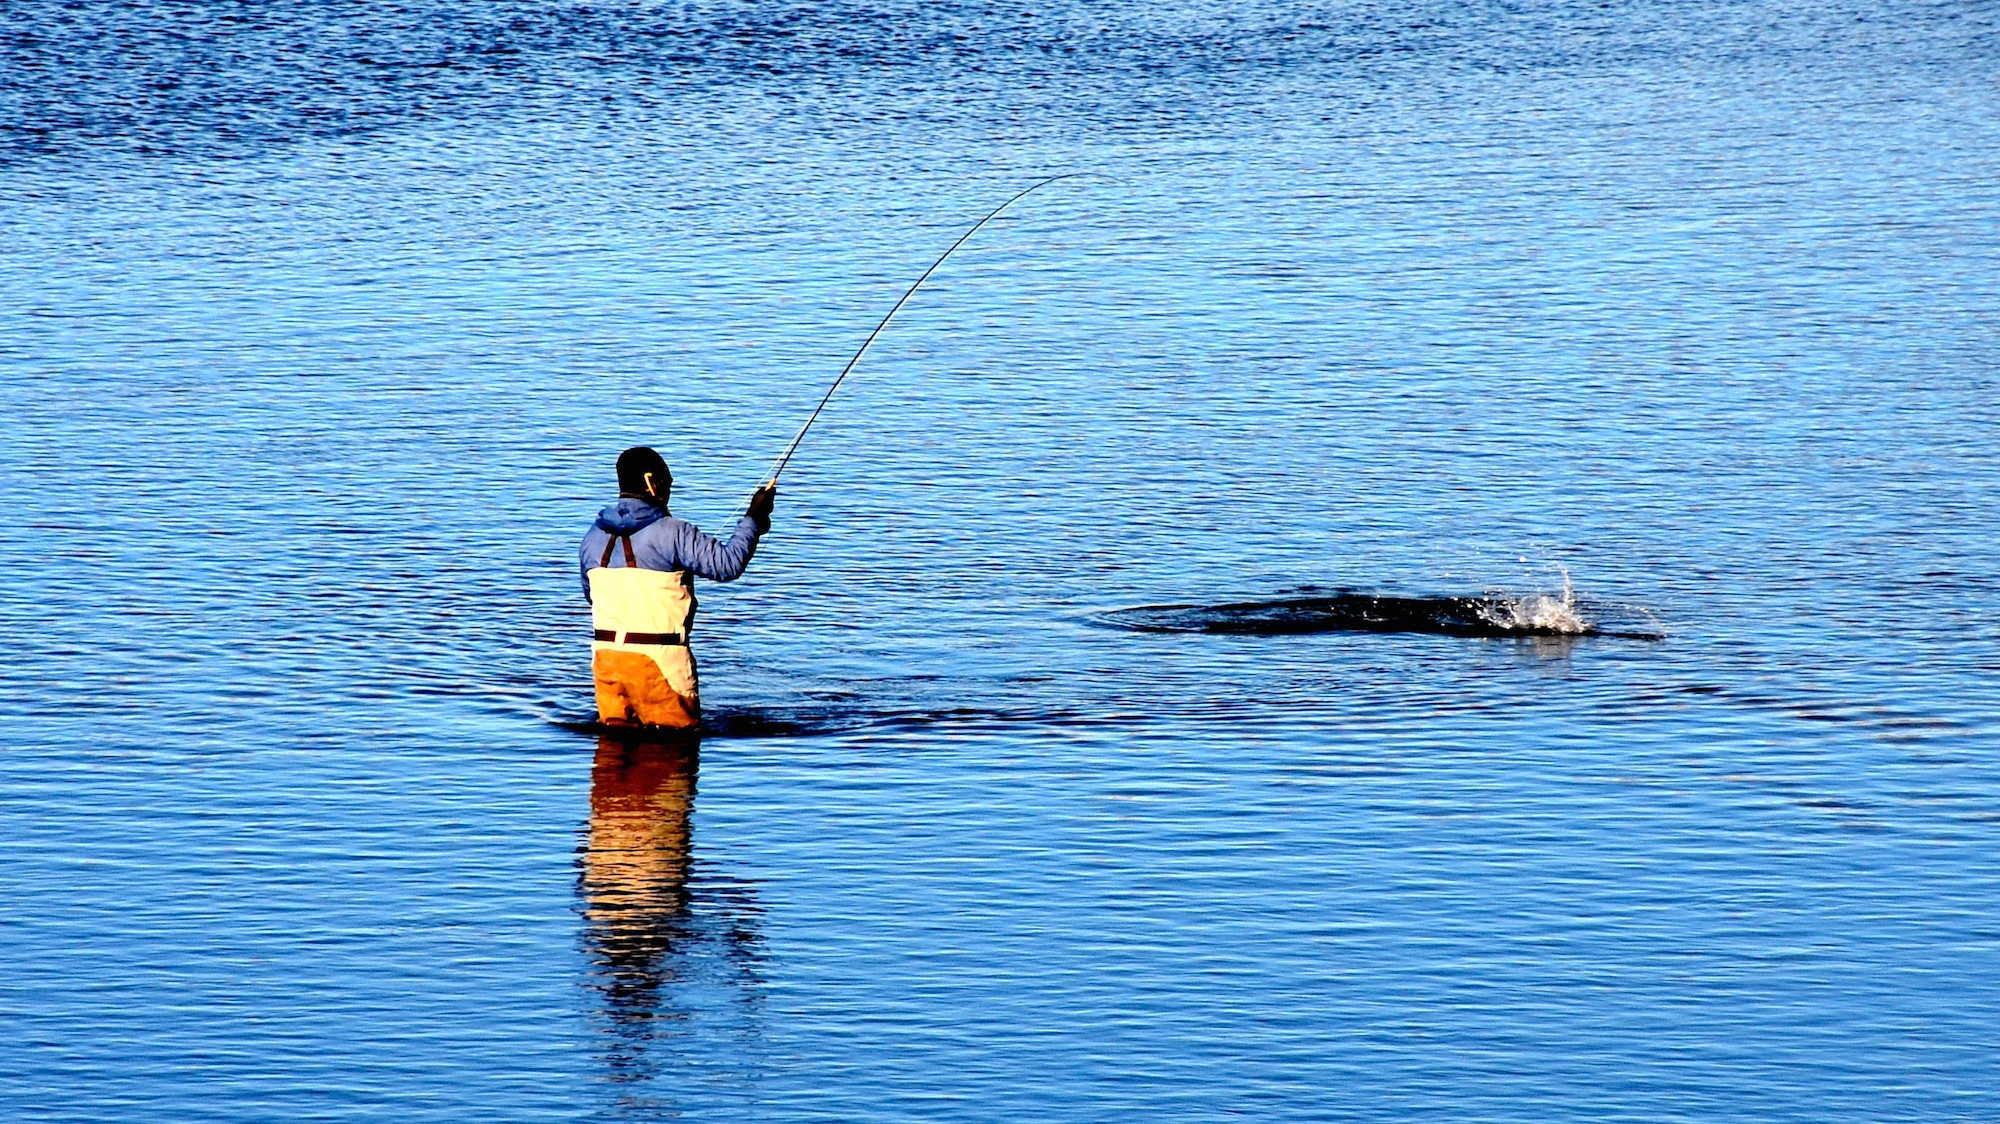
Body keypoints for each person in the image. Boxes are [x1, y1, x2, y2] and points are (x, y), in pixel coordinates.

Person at [580, 446, 776, 729]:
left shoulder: (592, 537)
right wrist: (754, 518)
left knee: (611, 765)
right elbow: (728, 565)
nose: (669, 492)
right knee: (674, 762)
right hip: (661, 664)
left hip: (607, 662)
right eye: (668, 483)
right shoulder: (673, 531)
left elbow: (592, 596)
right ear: (652, 483)